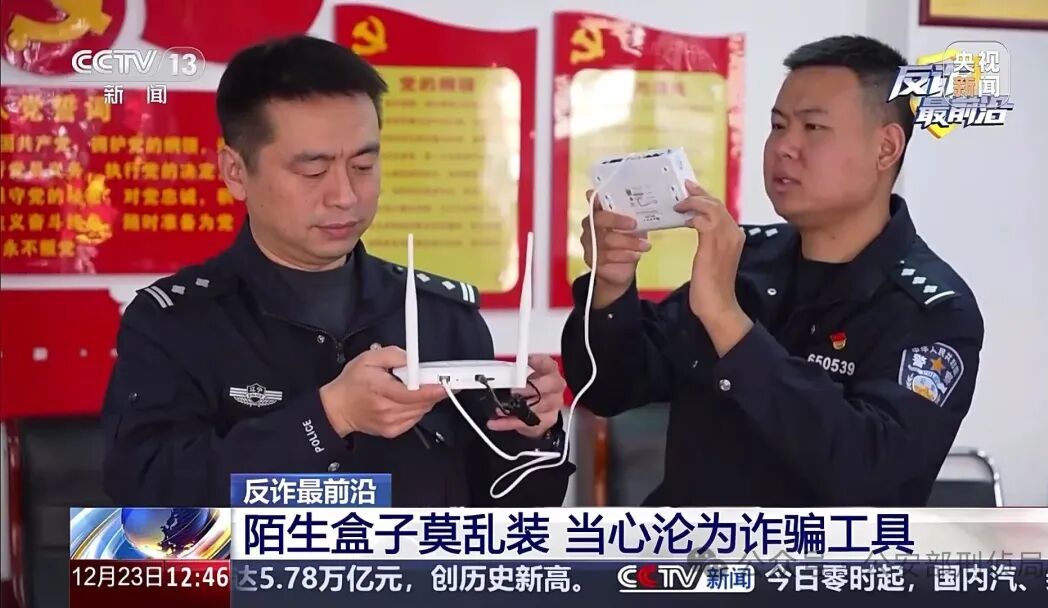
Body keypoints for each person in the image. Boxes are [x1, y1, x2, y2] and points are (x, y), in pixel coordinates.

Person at [102, 35, 573, 507]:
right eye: (313, 171)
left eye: (363, 165)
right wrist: (328, 418)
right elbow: (143, 511)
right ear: (235, 171)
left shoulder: (442, 317)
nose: (345, 196)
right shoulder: (173, 324)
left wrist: (534, 431)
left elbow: (508, 521)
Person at [561, 35, 984, 507]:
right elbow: (610, 387)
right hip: (690, 547)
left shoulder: (931, 310)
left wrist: (728, 321)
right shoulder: (748, 259)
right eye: (778, 125)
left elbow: (871, 474)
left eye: (813, 127)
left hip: (814, 555)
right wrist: (611, 286)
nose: (784, 146)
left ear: (886, 148)